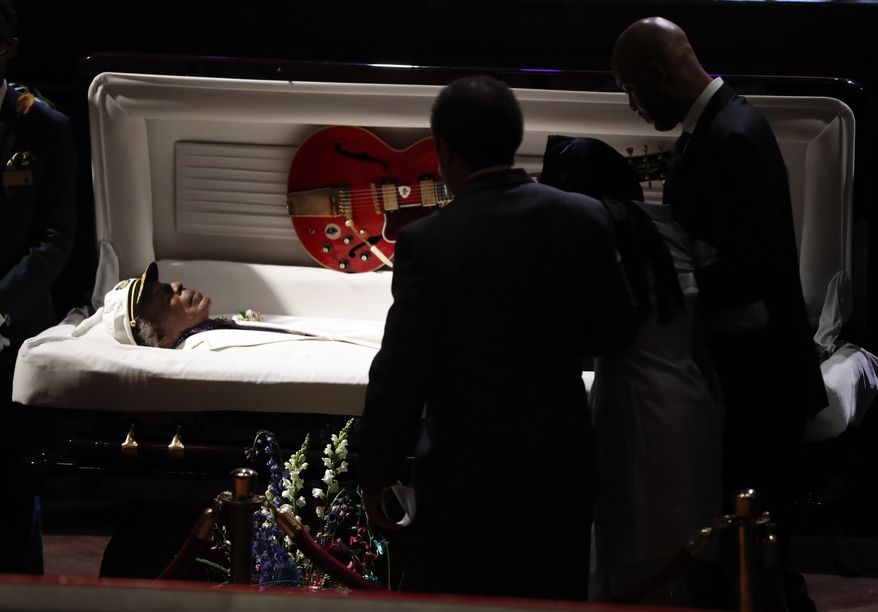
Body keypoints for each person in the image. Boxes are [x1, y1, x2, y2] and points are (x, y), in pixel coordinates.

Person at [356, 75, 640, 601]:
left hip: (466, 481)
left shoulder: (426, 242)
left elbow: (401, 374)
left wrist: (375, 472)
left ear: (444, 150)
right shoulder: (583, 217)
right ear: (514, 140)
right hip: (560, 469)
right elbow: (615, 330)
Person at [612, 16, 827, 609]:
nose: (632, 105)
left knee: (759, 562)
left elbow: (751, 269)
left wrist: (668, 285)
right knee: (755, 560)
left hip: (760, 382)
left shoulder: (728, 134)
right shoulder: (723, 125)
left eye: (631, 89)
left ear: (657, 74)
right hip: (757, 375)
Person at [541, 136, 723, 606]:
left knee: (632, 550)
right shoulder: (668, 230)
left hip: (633, 402)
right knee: (681, 551)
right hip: (690, 394)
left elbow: (590, 332)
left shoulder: (602, 236)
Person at [0, 0, 77, 574]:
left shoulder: (43, 126)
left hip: (11, 331)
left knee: (9, 486)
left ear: (8, 48)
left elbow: (55, 241)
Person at [102, 262, 377, 349]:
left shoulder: (208, 330)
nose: (177, 285)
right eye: (166, 295)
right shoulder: (206, 349)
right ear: (162, 338)